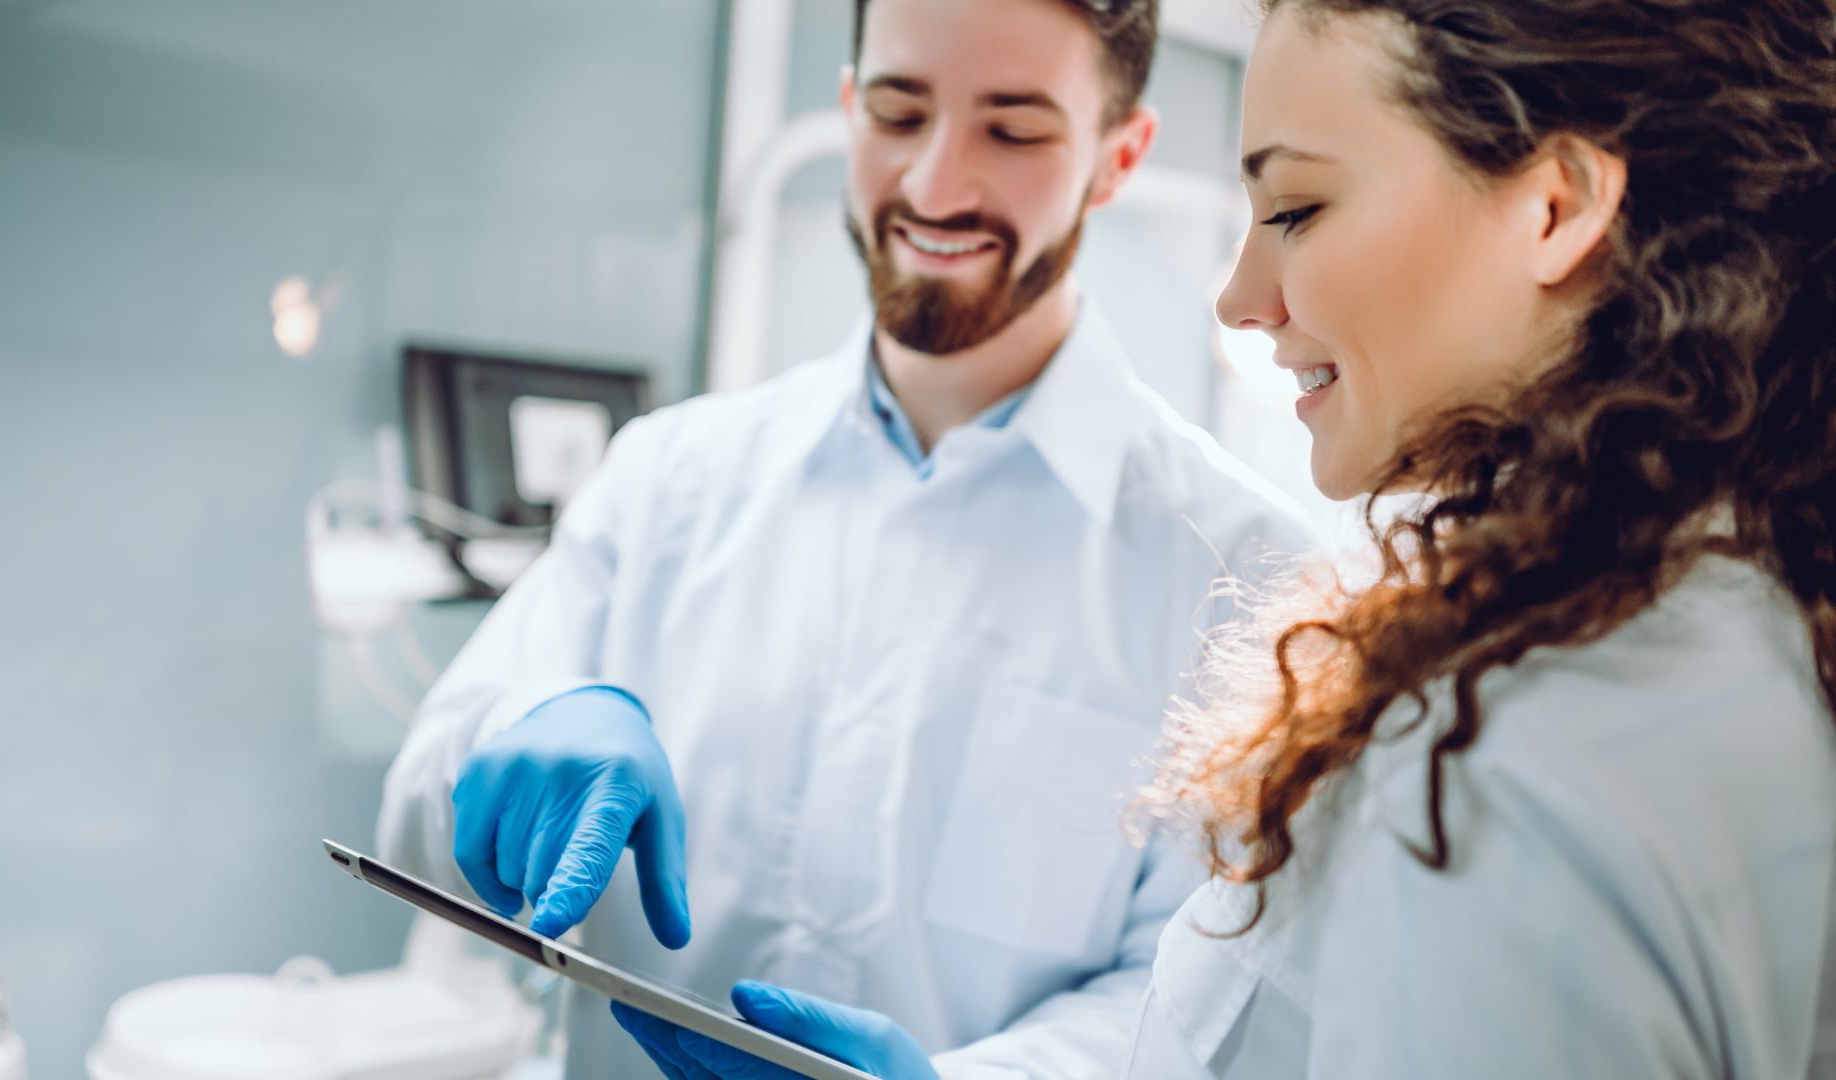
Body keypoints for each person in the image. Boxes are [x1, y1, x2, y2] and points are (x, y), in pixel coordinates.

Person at [610, 0, 1836, 1075]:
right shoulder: (1741, 619)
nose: (1239, 297)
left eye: (1297, 207)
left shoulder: (1505, 760)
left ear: (1556, 206)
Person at [376, 0, 1314, 1076]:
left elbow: (1210, 1003)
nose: (933, 186)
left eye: (1012, 130)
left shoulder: (1247, 577)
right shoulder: (667, 478)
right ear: (846, 107)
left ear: (1118, 156)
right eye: (897, 111)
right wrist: (524, 727)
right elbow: (413, 814)